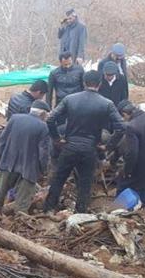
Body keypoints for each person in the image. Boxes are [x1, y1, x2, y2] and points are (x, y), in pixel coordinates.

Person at [43, 70, 125, 213]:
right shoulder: (107, 103)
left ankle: (48, 209)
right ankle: (80, 213)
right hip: (90, 149)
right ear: (100, 84)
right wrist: (107, 146)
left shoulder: (70, 99)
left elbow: (50, 119)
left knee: (59, 179)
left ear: (83, 83)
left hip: (70, 146)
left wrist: (56, 139)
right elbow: (121, 127)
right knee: (85, 183)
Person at [0, 100, 51, 215]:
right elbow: (43, 153)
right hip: (29, 169)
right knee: (22, 204)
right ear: (43, 114)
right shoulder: (43, 127)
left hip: (8, 163)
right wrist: (43, 170)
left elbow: (1, 141)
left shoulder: (14, 119)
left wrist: (1, 160)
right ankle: (19, 224)